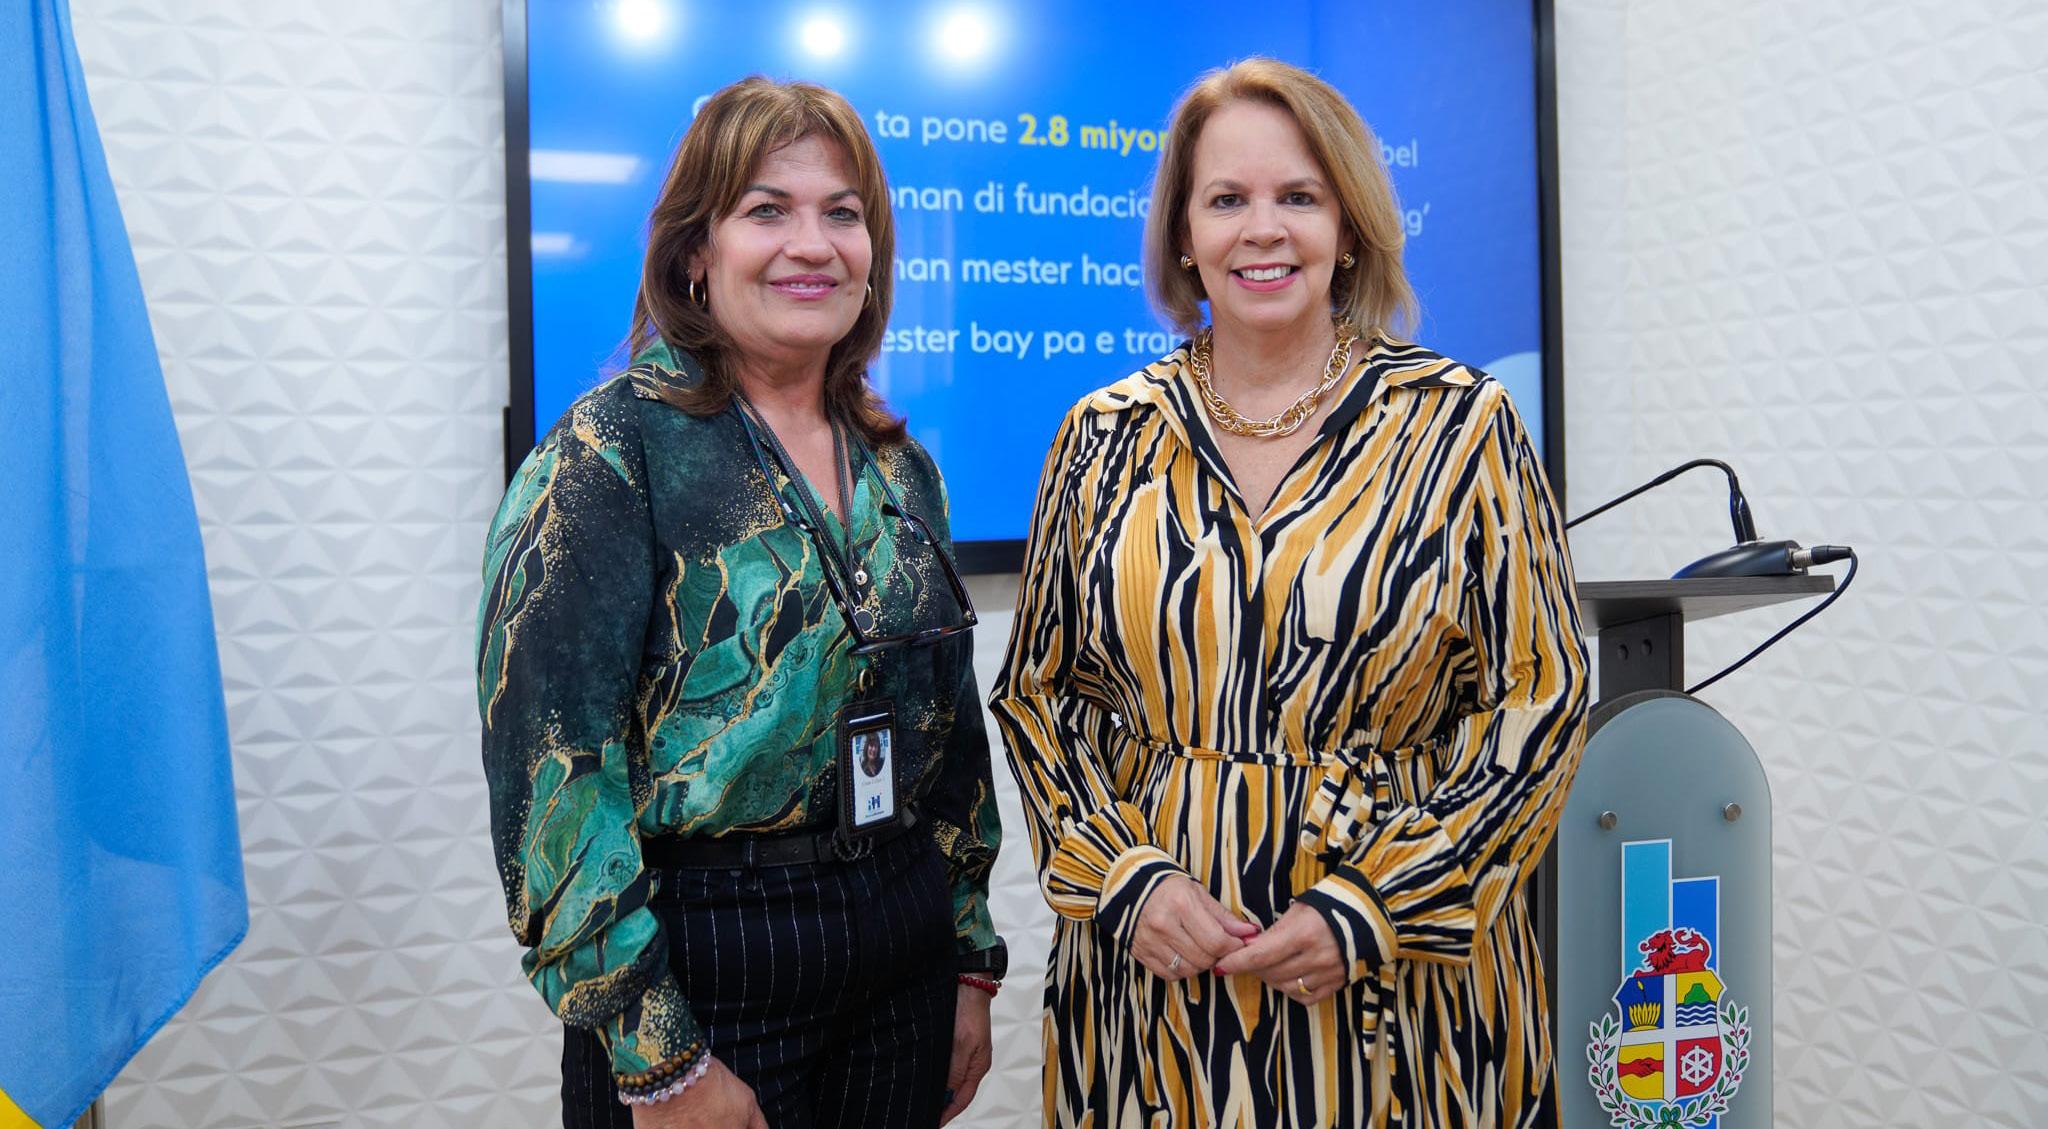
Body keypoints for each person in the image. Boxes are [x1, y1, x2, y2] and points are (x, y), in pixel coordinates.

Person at [990, 58, 1589, 1129]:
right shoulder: (1100, 436)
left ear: (1347, 226)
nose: (1261, 230)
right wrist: (1125, 878)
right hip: (1157, 992)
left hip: (1402, 995)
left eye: (1298, 197)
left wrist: (1377, 902)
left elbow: (1540, 695)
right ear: (1183, 235)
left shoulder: (1462, 425)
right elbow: (1040, 696)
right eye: (1226, 199)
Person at [478, 77, 1005, 1129]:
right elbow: (554, 775)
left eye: (841, 213)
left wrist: (967, 959)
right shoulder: (608, 453)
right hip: (707, 966)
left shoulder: (901, 467)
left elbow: (947, 739)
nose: (812, 244)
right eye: (768, 210)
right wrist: (658, 1057)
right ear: (695, 253)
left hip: (900, 946)